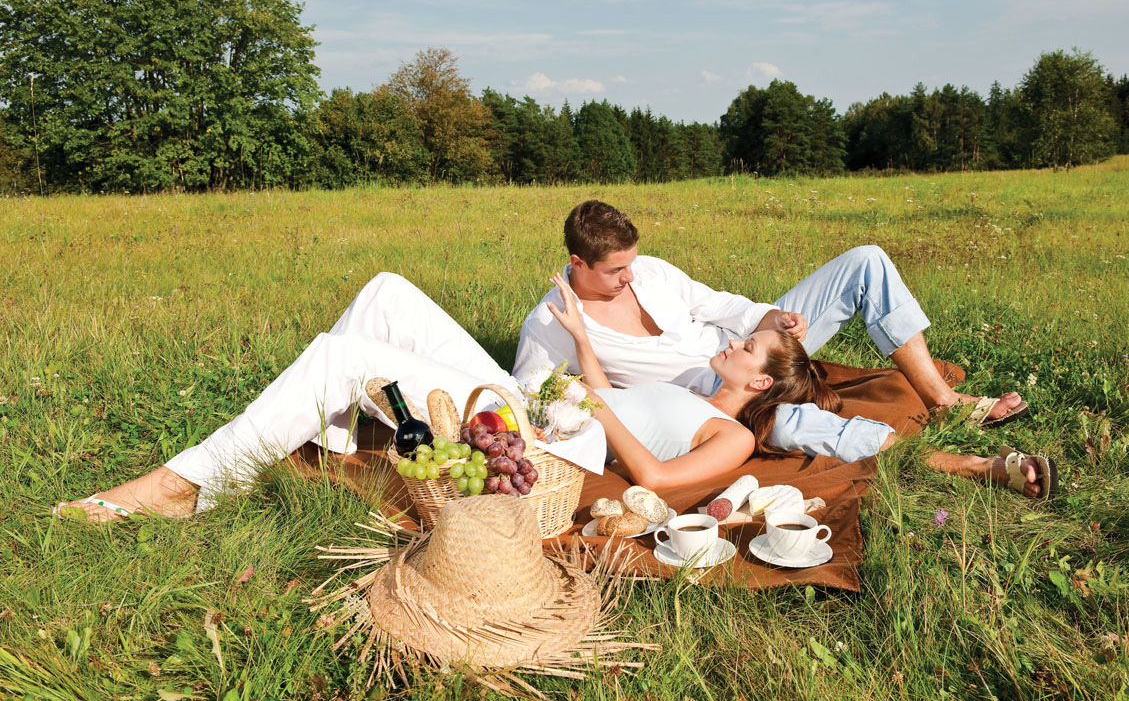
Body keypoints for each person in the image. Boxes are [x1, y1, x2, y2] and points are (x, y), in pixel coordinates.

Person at [53, 271, 837, 520]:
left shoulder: (728, 435)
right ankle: (330, 430)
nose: (733, 341)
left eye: (747, 348)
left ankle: (186, 485)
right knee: (388, 292)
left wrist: (596, 412)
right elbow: (597, 386)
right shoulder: (694, 379)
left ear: (759, 382)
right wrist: (583, 346)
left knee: (342, 355)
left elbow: (659, 482)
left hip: (552, 440)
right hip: (545, 403)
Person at [516, 200, 1052, 497]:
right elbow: (531, 394)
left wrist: (770, 320)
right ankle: (974, 465)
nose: (631, 277)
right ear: (577, 263)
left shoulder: (649, 273)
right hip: (711, 399)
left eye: (633, 262)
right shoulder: (550, 321)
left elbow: (720, 305)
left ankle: (941, 399)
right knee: (799, 427)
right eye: (615, 271)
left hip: (747, 350)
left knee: (866, 260)